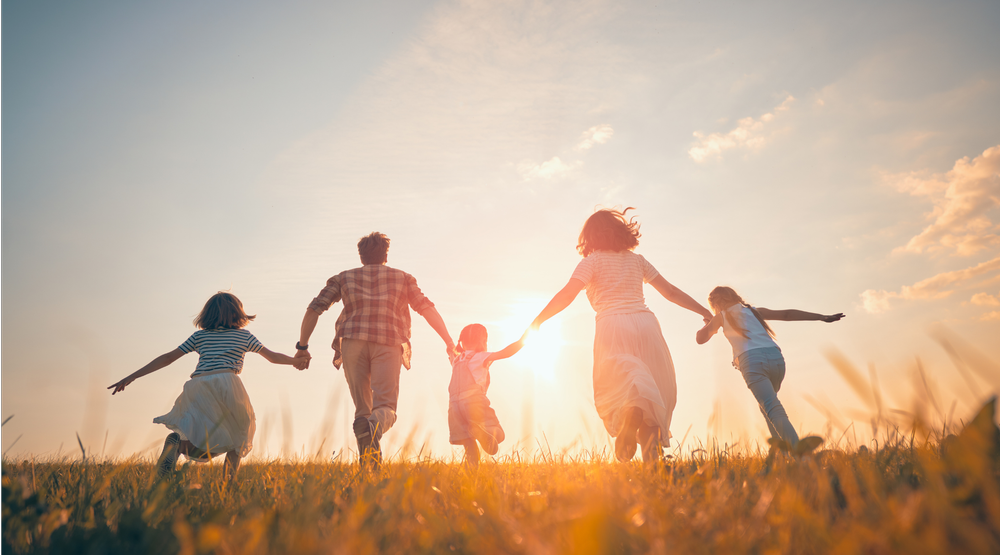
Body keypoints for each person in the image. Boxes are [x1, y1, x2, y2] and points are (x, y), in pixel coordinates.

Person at [527, 208, 713, 463]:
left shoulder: (590, 262)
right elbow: (670, 292)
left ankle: (630, 416)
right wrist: (705, 312)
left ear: (589, 237)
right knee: (653, 392)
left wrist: (538, 321)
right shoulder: (637, 261)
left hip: (612, 325)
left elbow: (567, 295)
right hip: (647, 325)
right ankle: (653, 465)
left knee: (622, 385)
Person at [108, 292, 304, 483]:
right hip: (228, 382)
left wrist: (132, 376)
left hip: (198, 384)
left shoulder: (200, 337)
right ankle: (229, 483)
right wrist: (295, 361)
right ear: (238, 313)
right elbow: (273, 357)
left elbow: (168, 358)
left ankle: (177, 446)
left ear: (207, 315)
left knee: (199, 431)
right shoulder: (244, 336)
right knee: (240, 434)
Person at [294, 232, 454, 466]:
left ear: (361, 256)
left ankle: (370, 468)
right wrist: (449, 341)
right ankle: (371, 441)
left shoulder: (343, 278)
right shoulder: (403, 278)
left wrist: (302, 346)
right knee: (386, 407)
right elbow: (426, 308)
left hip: (352, 342)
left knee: (363, 409)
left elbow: (314, 309)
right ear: (385, 255)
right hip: (388, 340)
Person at [696, 286, 844, 459]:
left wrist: (708, 325)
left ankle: (802, 457)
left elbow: (700, 339)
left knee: (772, 408)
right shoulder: (754, 312)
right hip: (776, 360)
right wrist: (821, 317)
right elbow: (787, 314)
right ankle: (781, 457)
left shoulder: (720, 317)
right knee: (767, 408)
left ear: (716, 303)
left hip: (752, 362)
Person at [447, 324, 525, 468]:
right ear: (482, 342)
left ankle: (471, 474)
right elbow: (506, 353)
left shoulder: (456, 359)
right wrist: (523, 339)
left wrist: (450, 345)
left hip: (454, 407)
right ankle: (482, 433)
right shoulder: (481, 356)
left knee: (468, 444)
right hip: (473, 401)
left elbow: (450, 351)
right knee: (499, 434)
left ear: (462, 342)